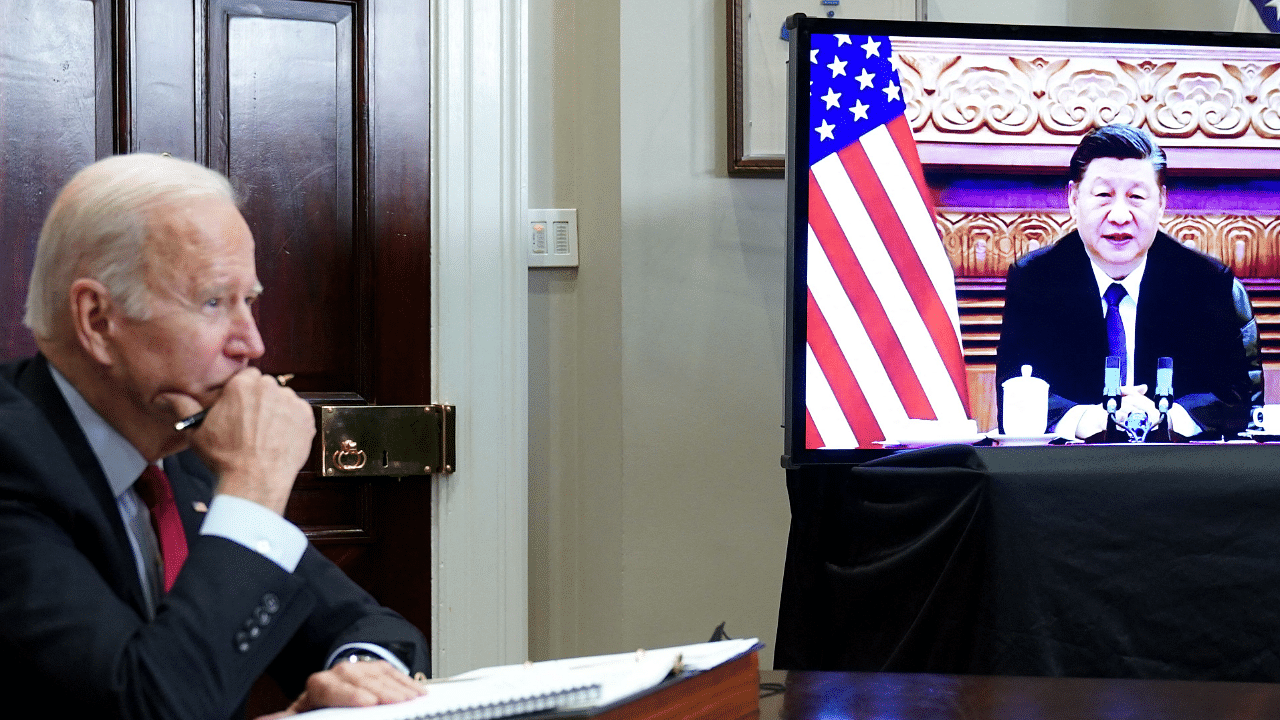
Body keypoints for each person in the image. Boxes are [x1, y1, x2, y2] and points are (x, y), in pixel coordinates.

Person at [0, 154, 430, 718]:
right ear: (98, 319)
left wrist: (357, 679)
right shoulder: (14, 462)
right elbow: (149, 707)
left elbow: (372, 628)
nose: (251, 344)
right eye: (213, 302)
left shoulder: (180, 441)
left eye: (248, 301)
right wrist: (255, 481)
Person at [995, 123, 1260, 440]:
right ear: (1073, 198)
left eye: (1136, 196)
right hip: (1070, 473)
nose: (1120, 215)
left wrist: (1164, 417)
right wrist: (1086, 418)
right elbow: (1015, 392)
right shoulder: (1037, 279)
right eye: (1104, 195)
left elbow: (1233, 397)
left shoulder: (1203, 281)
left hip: (1179, 472)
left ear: (1160, 202)